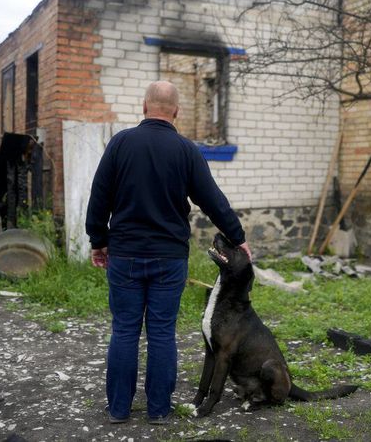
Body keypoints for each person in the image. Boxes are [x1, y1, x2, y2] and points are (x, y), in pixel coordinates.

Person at [86, 80, 251, 425]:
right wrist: (238, 237)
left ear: (144, 107)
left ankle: (118, 409)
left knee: (125, 330)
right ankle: (158, 409)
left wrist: (98, 240)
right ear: (175, 111)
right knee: (161, 331)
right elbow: (213, 200)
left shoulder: (120, 144)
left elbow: (99, 198)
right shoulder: (186, 150)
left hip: (126, 254)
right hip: (169, 258)